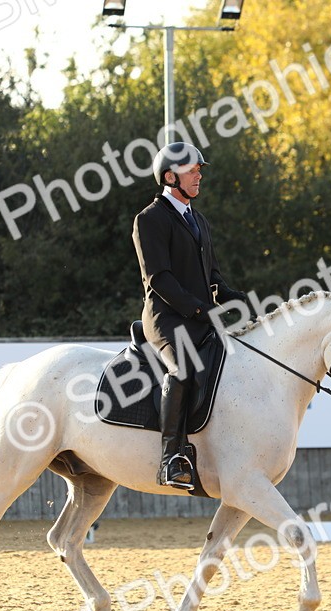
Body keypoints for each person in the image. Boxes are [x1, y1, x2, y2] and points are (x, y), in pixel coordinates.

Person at [131, 142, 247, 490]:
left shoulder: (198, 219)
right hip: (166, 320)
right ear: (170, 176)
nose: (199, 174)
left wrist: (228, 294)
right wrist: (198, 308)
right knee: (182, 369)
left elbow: (210, 272)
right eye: (192, 170)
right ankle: (171, 458)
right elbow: (159, 278)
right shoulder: (149, 219)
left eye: (200, 169)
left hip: (199, 318)